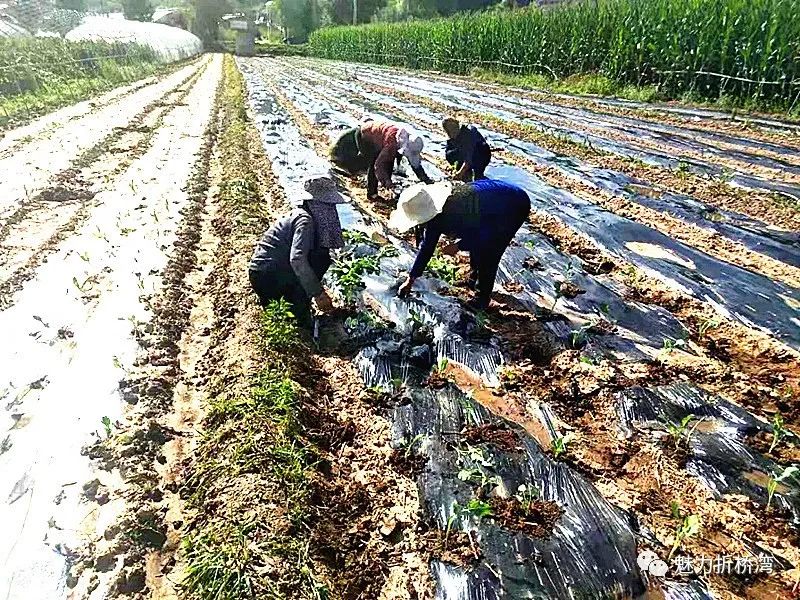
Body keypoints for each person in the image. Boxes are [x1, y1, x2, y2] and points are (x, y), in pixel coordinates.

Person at [391, 179, 530, 310]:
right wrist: (411, 279)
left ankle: (482, 299)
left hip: (513, 205)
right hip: (491, 202)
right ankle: (473, 279)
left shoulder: (457, 210)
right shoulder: (434, 216)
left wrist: (459, 246)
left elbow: (484, 234)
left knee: (490, 252)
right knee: (476, 243)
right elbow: (427, 248)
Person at [248, 174, 344, 327]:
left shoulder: (304, 215)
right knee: (320, 259)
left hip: (267, 272)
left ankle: (295, 306)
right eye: (328, 205)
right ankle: (299, 313)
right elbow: (297, 259)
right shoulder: (305, 221)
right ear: (317, 204)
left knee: (321, 255)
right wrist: (318, 293)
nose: (331, 210)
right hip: (267, 276)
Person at [329, 120, 433, 200]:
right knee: (374, 161)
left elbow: (416, 165)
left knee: (389, 162)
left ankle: (385, 184)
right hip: (364, 135)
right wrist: (387, 182)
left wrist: (427, 181)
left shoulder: (409, 142)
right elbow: (378, 165)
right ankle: (372, 194)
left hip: (380, 135)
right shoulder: (392, 144)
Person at [442, 117, 492, 182]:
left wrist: (460, 173)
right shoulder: (459, 133)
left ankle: (474, 179)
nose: (450, 134)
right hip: (474, 153)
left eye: (451, 130)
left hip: (481, 156)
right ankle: (467, 174)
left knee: (478, 177)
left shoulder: (467, 136)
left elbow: (468, 159)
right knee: (450, 153)